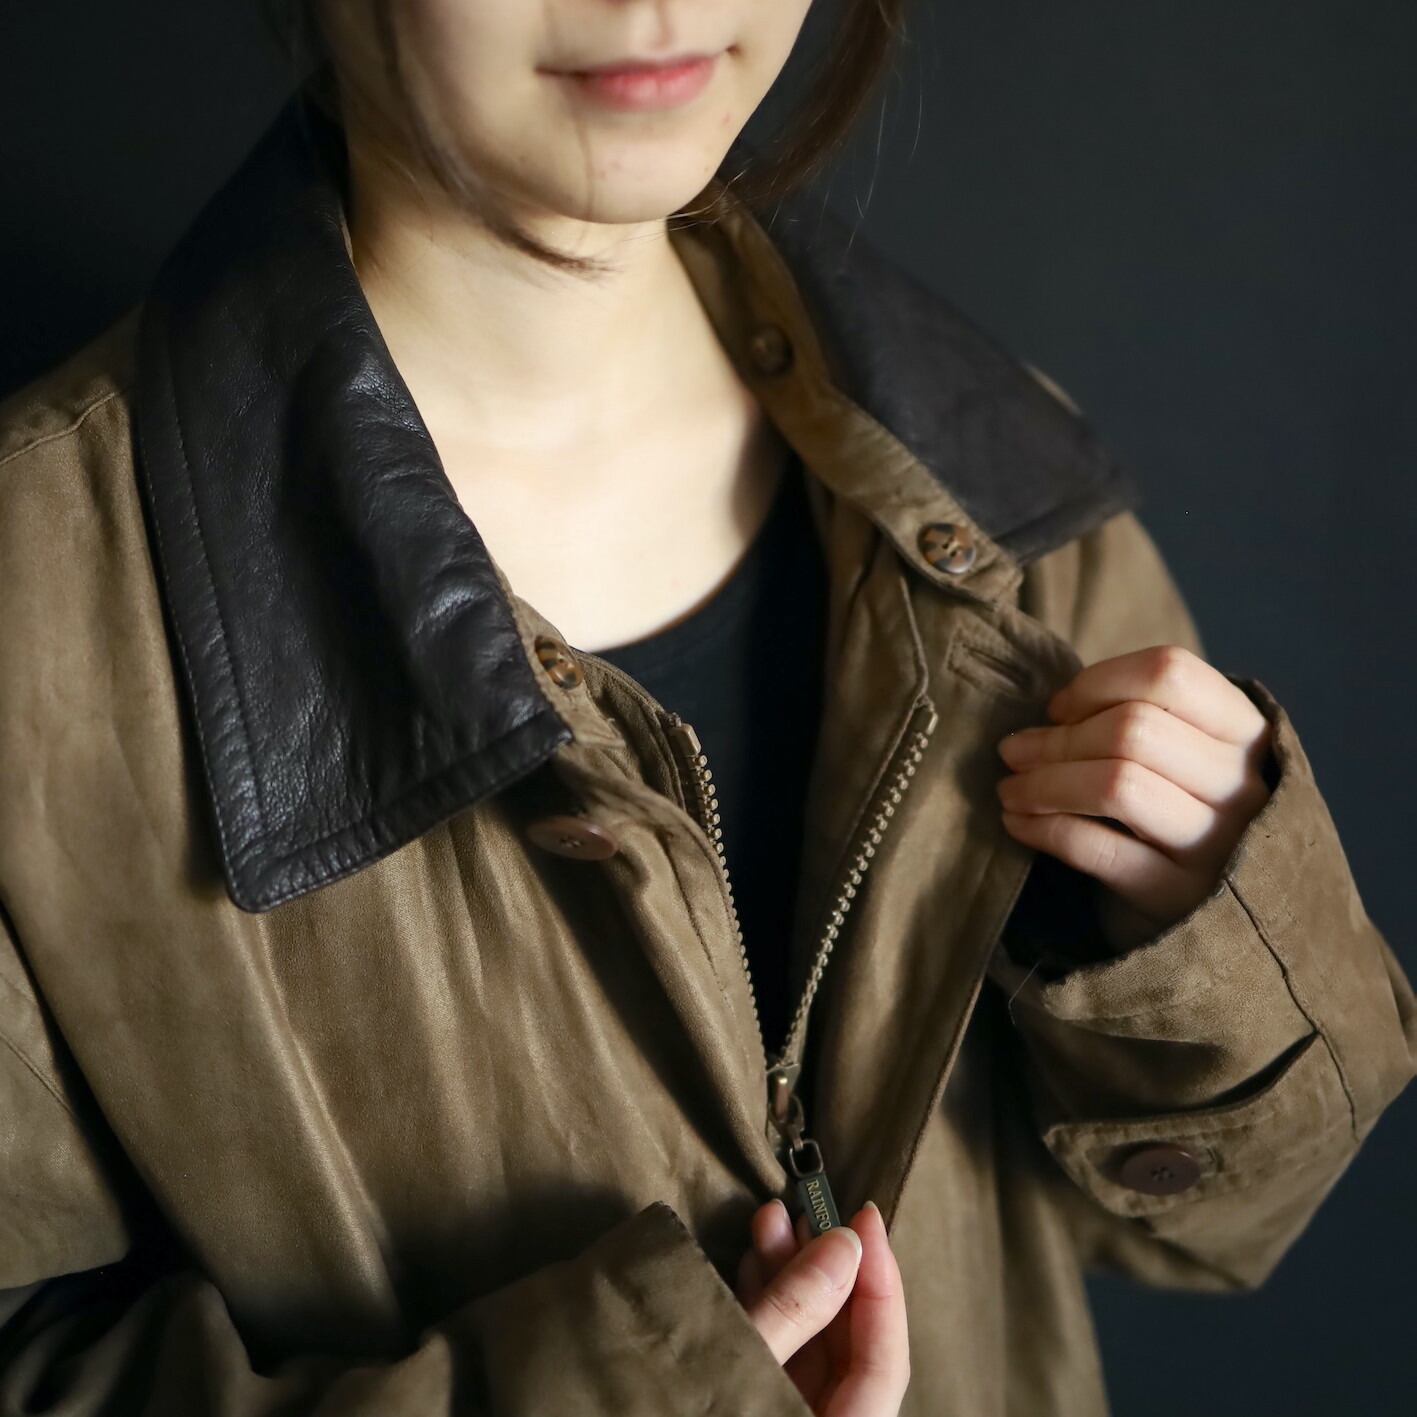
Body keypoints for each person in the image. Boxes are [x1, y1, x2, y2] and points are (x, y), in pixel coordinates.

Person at [0, 2, 1412, 1414]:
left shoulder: (996, 492)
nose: (660, 4)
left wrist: (1215, 951)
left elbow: (1187, 1234)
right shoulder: (40, 612)